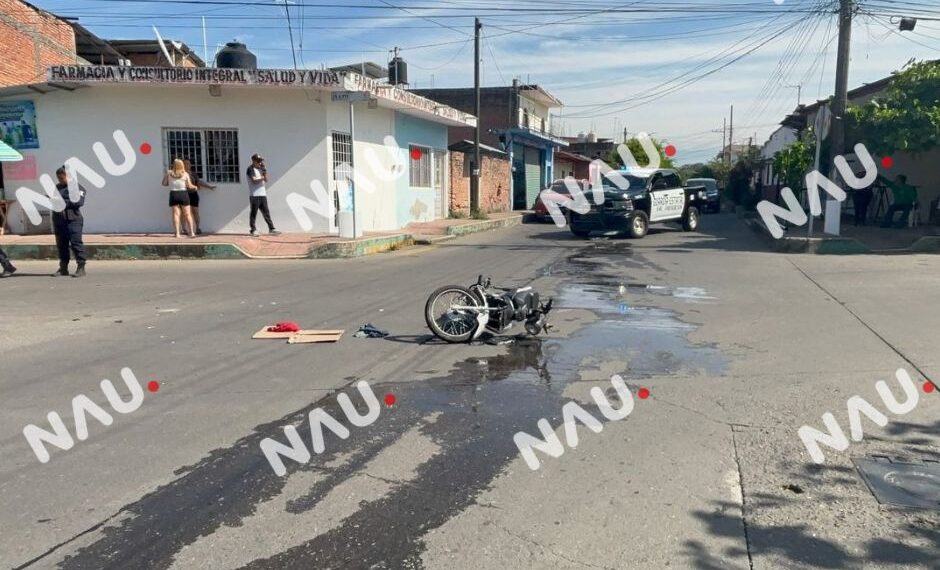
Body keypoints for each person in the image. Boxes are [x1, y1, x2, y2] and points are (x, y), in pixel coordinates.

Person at [52, 167, 88, 277]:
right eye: (58, 178)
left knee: (76, 243)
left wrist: (62, 202)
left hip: (73, 220)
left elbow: (78, 202)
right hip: (59, 220)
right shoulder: (58, 187)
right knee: (62, 245)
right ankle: (63, 268)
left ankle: (81, 267)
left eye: (62, 178)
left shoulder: (78, 188)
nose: (60, 181)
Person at [246, 153, 281, 237]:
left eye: (260, 161)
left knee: (266, 212)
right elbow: (254, 180)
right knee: (253, 213)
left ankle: (271, 229)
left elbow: (266, 180)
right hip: (254, 195)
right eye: (258, 161)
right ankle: (253, 230)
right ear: (253, 161)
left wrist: (264, 171)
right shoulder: (250, 169)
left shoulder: (261, 169)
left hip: (262, 194)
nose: (260, 163)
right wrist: (262, 177)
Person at [162, 158, 197, 238]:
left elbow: (164, 183)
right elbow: (189, 186)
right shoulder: (185, 174)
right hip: (183, 194)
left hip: (173, 194)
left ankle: (177, 233)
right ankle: (191, 232)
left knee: (176, 214)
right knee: (187, 214)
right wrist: (195, 187)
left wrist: (170, 181)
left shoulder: (169, 173)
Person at [183, 159, 216, 235]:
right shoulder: (181, 174)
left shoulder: (194, 174)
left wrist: (209, 187)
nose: (187, 165)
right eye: (185, 163)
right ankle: (184, 229)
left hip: (193, 194)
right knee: (185, 213)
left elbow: (199, 182)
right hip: (184, 194)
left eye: (188, 163)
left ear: (190, 165)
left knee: (195, 212)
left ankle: (197, 228)